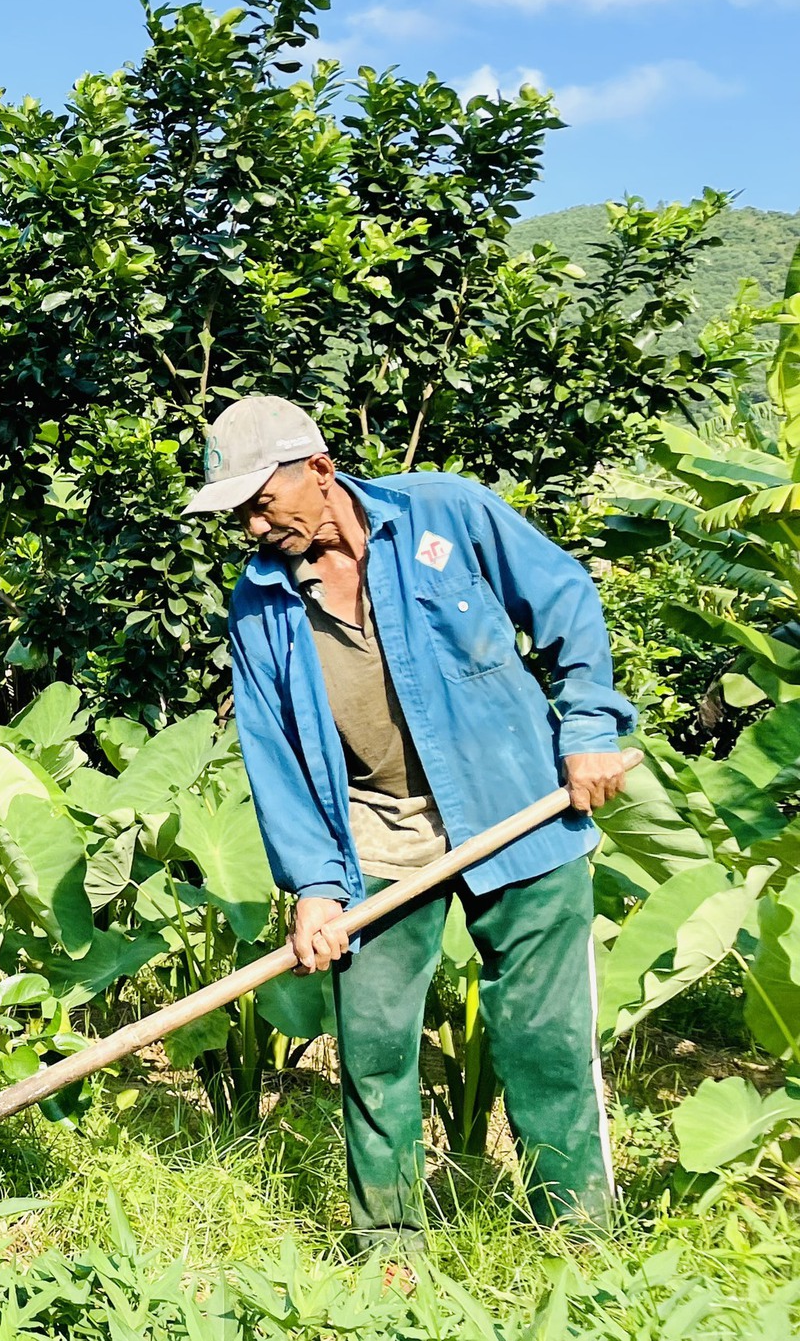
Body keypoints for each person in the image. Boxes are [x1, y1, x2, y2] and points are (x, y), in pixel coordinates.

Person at [183, 394, 631, 1256]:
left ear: (317, 470)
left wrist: (588, 728)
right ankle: (389, 1246)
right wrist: (315, 885)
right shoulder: (260, 603)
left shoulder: (443, 511)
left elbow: (565, 596)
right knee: (375, 1043)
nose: (249, 524)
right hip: (378, 832)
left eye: (258, 501)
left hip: (515, 805)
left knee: (546, 1037)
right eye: (235, 511)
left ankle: (580, 1242)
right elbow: (272, 752)